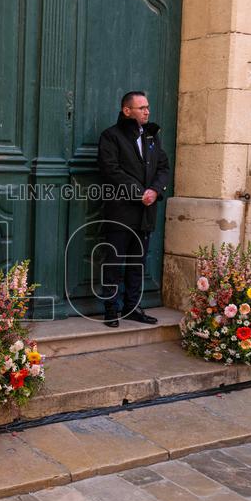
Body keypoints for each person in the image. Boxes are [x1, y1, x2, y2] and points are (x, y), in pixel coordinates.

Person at [96, 91, 171, 327]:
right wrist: (140, 192)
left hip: (145, 212)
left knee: (137, 262)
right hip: (121, 211)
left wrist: (155, 191)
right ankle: (111, 309)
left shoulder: (152, 137)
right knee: (114, 262)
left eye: (148, 107)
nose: (147, 111)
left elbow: (163, 167)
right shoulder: (111, 136)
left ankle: (133, 307)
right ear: (127, 111)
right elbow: (111, 169)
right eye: (141, 108)